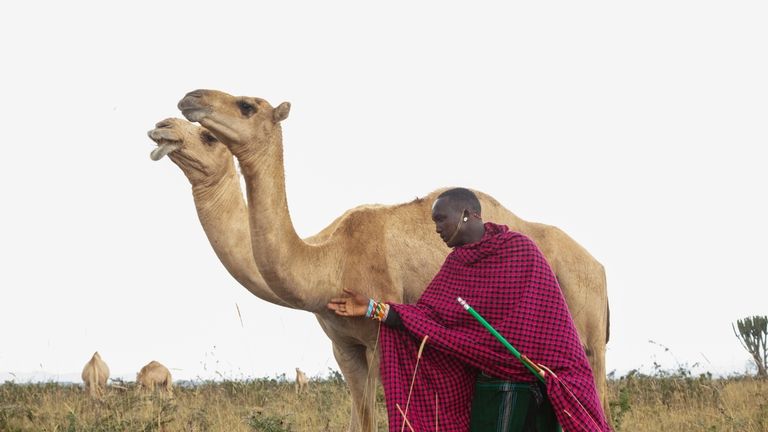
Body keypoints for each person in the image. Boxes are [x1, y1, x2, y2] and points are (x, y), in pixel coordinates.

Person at [327, 188, 611, 432]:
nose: (436, 228)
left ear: (466, 214)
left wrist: (541, 363)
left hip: (541, 378)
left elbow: (550, 319)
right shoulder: (456, 266)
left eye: (441, 219)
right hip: (494, 389)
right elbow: (429, 320)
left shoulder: (520, 250)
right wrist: (374, 309)